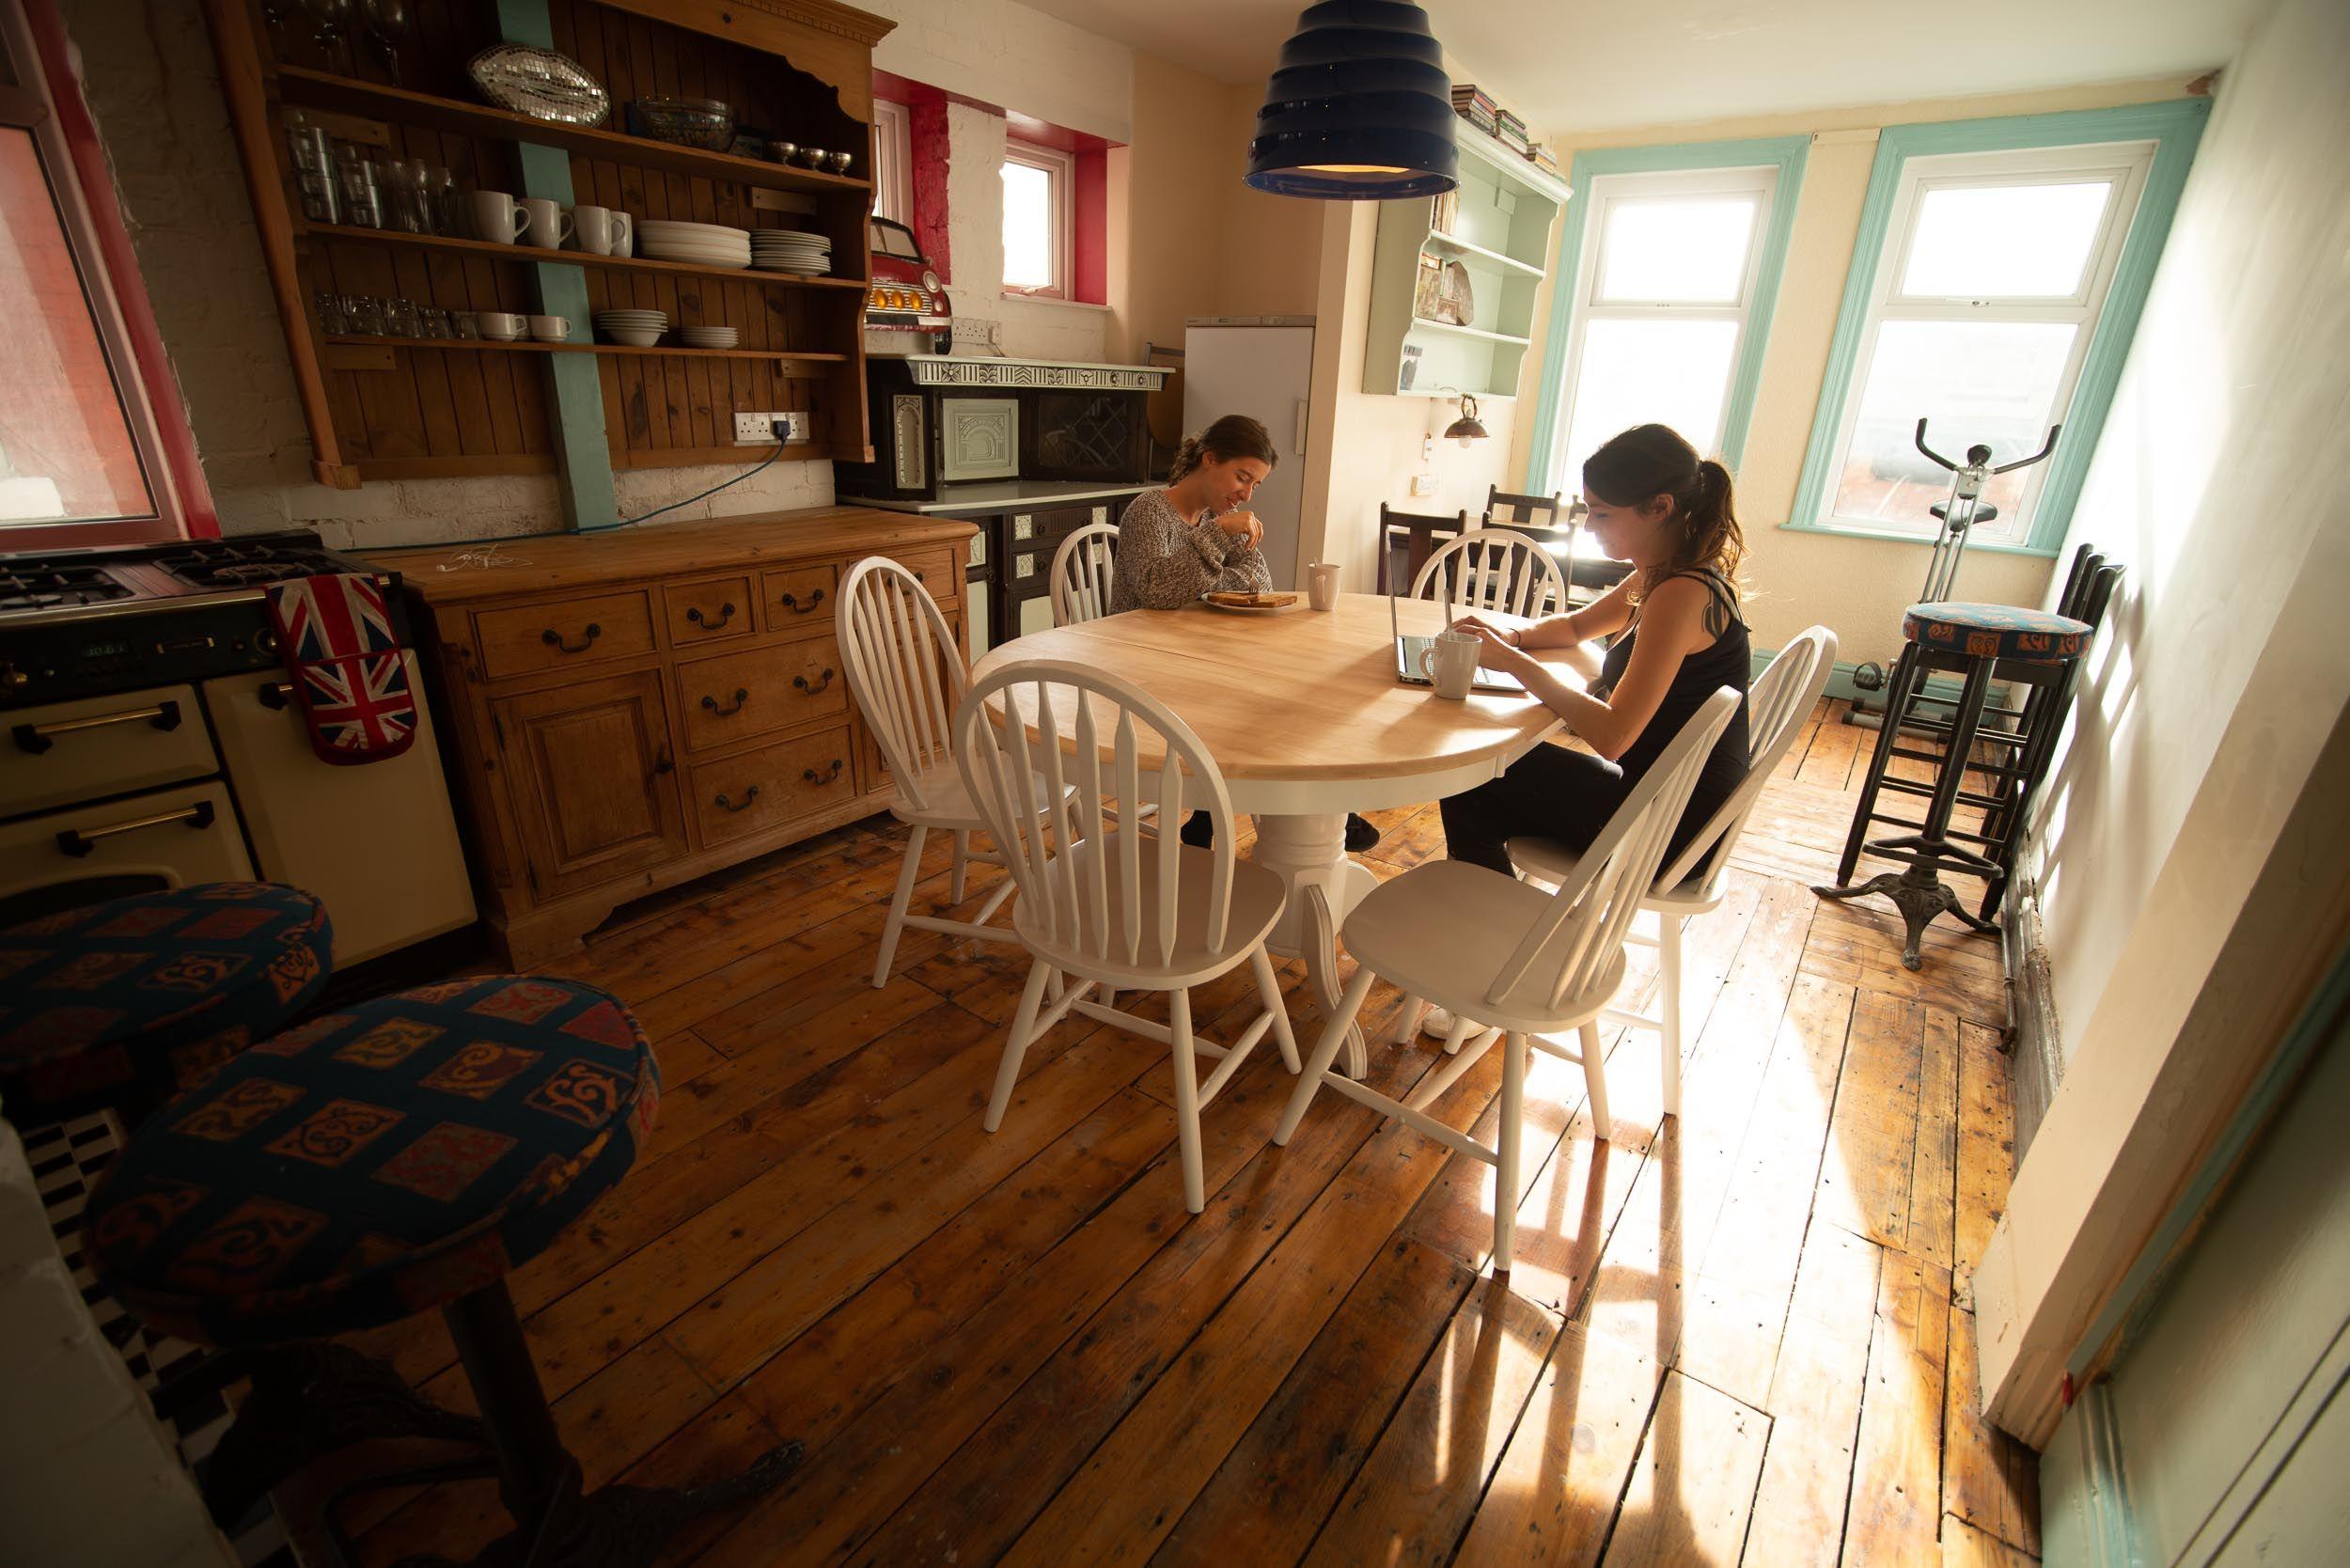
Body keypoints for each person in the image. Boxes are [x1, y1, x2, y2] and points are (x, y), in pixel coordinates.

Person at [1424, 423, 1751, 1033]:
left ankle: (1491, 965)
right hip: (1665, 800)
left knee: (1473, 777)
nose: (1590, 527)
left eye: (1601, 514)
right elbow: (1577, 629)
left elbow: (1613, 735)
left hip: (1667, 832)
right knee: (1488, 774)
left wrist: (1513, 665)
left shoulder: (1680, 593)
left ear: (1659, 508)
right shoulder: (1664, 569)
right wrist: (1509, 637)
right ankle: (1501, 939)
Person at [1112, 416, 1382, 853]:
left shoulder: (1220, 517)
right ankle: (1297, 808)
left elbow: (1258, 581)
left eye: (1255, 484)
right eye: (1242, 477)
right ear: (1210, 459)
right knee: (1260, 698)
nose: (1246, 493)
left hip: (1193, 661)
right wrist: (1217, 542)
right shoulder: (1151, 512)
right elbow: (1157, 592)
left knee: (1287, 687)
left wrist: (1203, 577)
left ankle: (1294, 807)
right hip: (1144, 669)